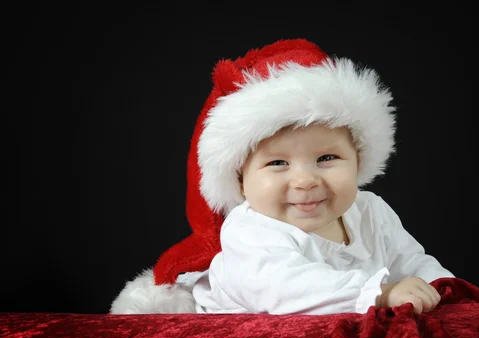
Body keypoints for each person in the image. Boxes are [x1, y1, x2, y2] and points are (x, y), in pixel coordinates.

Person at [109, 38, 455, 316]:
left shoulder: (370, 211)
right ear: (241, 180)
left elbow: (409, 260)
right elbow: (287, 288)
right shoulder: (250, 230)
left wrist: (440, 286)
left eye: (327, 158)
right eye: (277, 163)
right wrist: (380, 294)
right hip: (232, 335)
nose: (305, 180)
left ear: (358, 160)